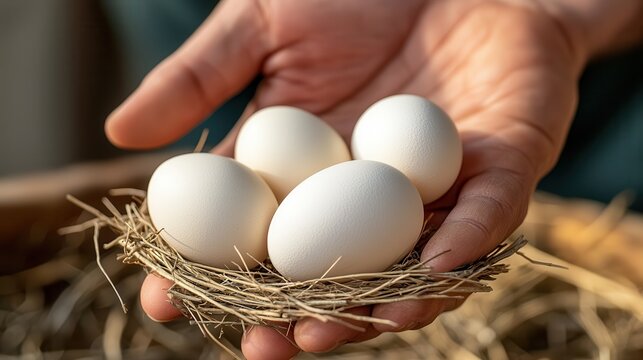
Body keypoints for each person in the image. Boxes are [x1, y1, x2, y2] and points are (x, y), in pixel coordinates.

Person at [104, 1, 643, 359]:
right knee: (238, 144)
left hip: (600, 73)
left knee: (596, 217)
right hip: (302, 53)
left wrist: (549, 10)